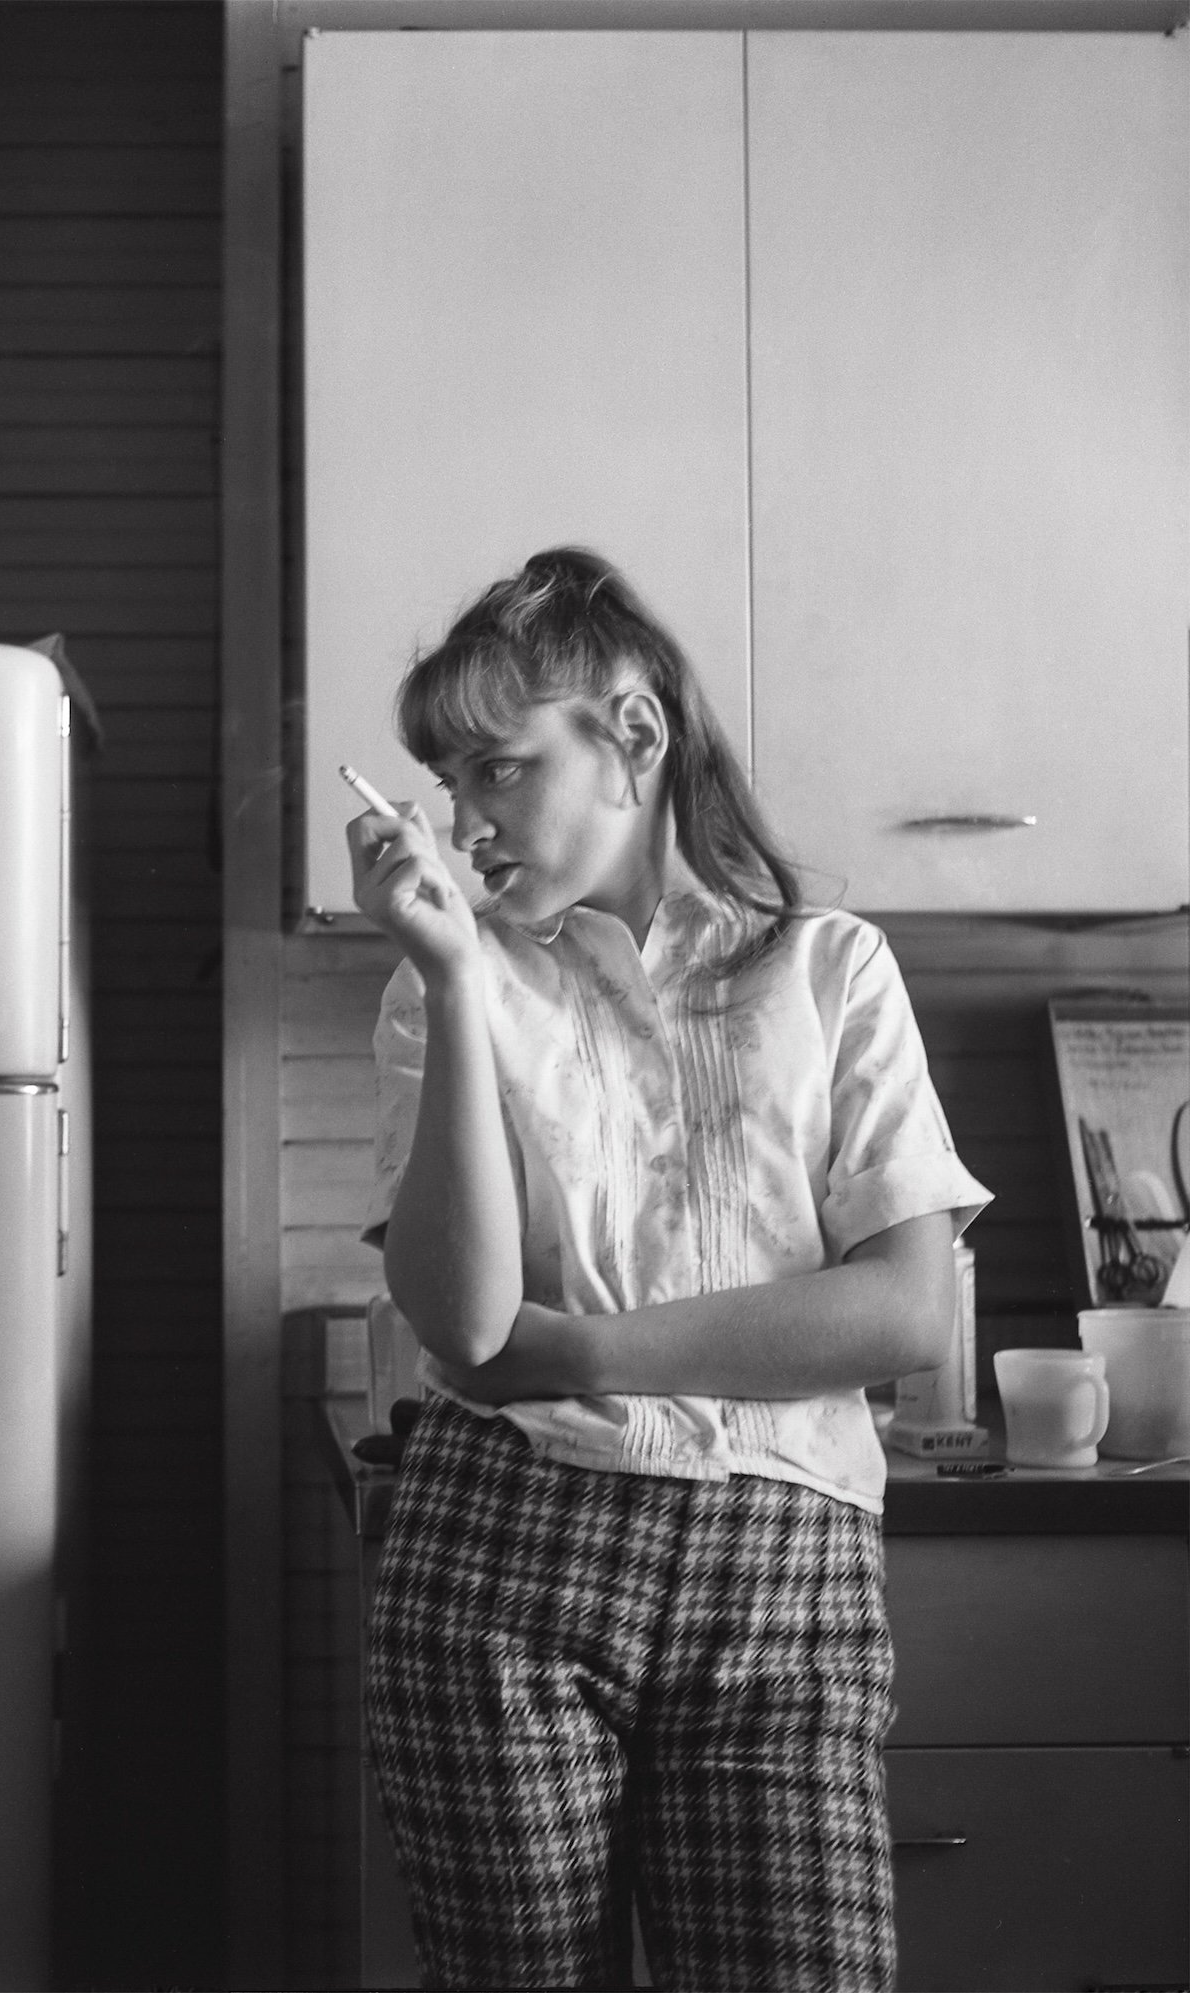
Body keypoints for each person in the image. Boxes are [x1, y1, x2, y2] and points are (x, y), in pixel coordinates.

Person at [345, 547, 989, 1990]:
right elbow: (460, 1320)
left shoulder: (833, 970)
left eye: (499, 770)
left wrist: (582, 1353)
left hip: (784, 1570)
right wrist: (452, 977)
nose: (465, 821)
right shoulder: (447, 981)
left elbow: (901, 1307)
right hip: (500, 1558)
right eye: (447, 783)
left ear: (632, 735)